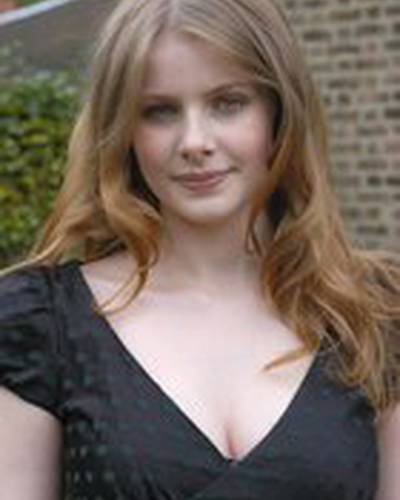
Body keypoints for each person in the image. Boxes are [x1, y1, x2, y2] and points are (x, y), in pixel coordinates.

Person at [0, 0, 399, 498]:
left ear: (279, 112)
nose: (194, 141)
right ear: (123, 131)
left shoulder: (373, 313)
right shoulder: (41, 322)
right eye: (159, 111)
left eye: (228, 103)